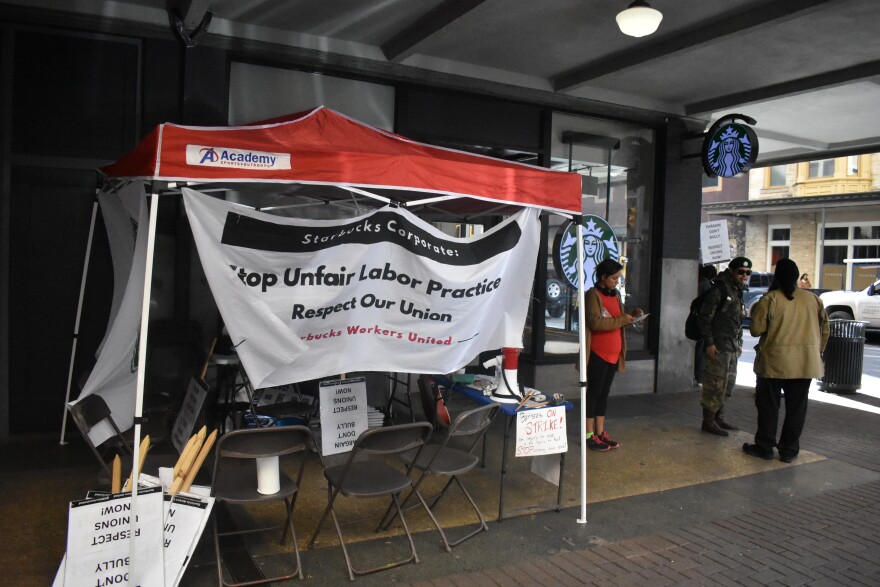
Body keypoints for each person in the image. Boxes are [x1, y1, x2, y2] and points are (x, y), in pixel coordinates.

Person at [744, 259, 829, 462]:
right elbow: (825, 329)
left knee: (768, 406)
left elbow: (756, 330)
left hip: (773, 363)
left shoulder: (770, 299)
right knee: (797, 409)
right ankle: (789, 450)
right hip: (805, 364)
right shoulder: (813, 299)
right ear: (797, 276)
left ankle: (765, 446)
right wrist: (817, 351)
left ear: (777, 277)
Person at [583, 258, 644, 451]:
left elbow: (617, 317)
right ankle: (588, 435)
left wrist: (632, 315)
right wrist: (621, 320)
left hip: (613, 354)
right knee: (593, 394)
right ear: (603, 277)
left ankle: (601, 433)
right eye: (614, 278)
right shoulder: (592, 295)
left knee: (604, 394)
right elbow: (595, 322)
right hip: (597, 353)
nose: (617, 282)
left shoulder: (616, 295)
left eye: (618, 278)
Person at [695, 256, 751, 436]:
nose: (744, 276)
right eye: (741, 272)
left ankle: (719, 417)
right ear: (732, 271)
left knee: (728, 384)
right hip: (718, 346)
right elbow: (704, 319)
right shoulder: (719, 290)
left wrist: (739, 342)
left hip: (731, 346)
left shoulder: (737, 290)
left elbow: (737, 320)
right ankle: (708, 421)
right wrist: (709, 343)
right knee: (715, 384)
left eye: (747, 273)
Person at [694, 264, 718, 387]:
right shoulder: (707, 286)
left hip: (697, 319)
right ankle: (699, 377)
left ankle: (698, 376)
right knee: (701, 350)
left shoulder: (698, 282)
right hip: (702, 321)